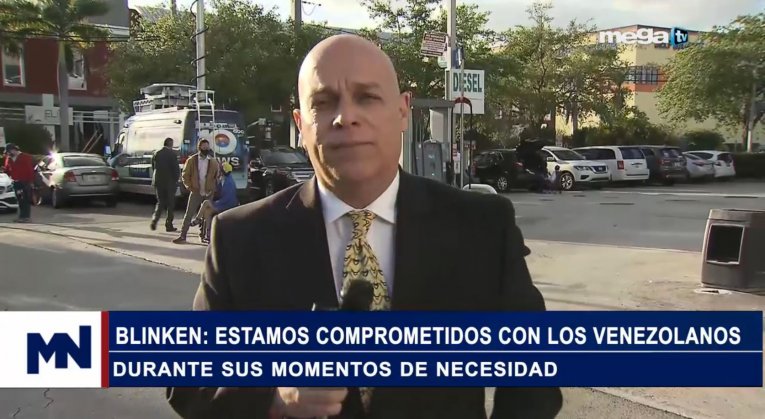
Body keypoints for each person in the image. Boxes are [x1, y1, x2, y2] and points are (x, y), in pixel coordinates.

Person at [166, 34, 562, 419]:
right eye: (324, 103)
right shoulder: (240, 237)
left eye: (367, 97)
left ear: (403, 111)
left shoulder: (482, 227)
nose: (346, 117)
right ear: (301, 124)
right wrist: (273, 398)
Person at [174, 139, 220, 244]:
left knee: (206, 216)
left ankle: (203, 236)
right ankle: (183, 235)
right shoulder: (192, 160)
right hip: (195, 191)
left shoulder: (213, 161)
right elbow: (185, 175)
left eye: (207, 147)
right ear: (199, 147)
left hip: (208, 192)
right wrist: (190, 187)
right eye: (204, 147)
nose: (206, 148)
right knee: (189, 214)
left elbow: (217, 176)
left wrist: (213, 188)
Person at [190, 161, 238, 243]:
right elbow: (218, 191)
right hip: (222, 203)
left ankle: (197, 220)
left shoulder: (229, 182)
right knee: (207, 211)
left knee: (206, 203)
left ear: (223, 171)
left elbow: (228, 198)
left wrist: (216, 203)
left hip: (227, 205)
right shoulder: (224, 179)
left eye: (220, 169)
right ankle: (208, 235)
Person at [150, 137, 180, 232]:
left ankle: (154, 219)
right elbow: (176, 169)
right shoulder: (172, 154)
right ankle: (169, 224)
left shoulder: (156, 153)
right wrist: (176, 180)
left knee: (160, 202)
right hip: (169, 182)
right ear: (171, 144)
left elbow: (153, 167)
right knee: (170, 204)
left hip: (158, 181)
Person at [2, 143, 35, 223]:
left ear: (14, 150)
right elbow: (7, 169)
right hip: (16, 182)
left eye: (9, 152)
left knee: (25, 199)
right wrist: (5, 171)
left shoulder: (25, 157)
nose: (8, 154)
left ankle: (26, 217)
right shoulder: (9, 158)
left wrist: (31, 181)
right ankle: (21, 216)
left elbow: (30, 170)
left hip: (25, 182)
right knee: (20, 200)